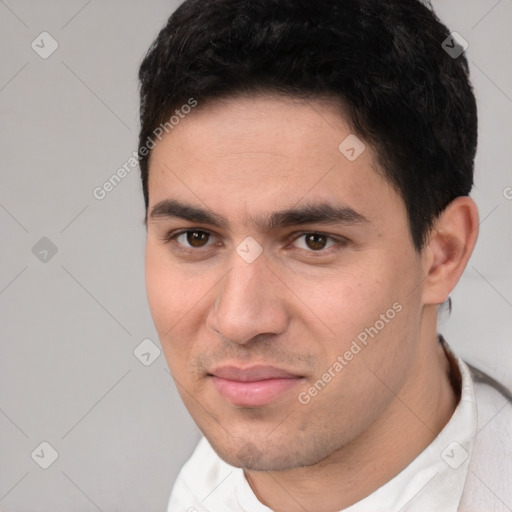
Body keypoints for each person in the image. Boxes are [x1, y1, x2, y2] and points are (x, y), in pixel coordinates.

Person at [137, 0, 512, 510]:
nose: (239, 320)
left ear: (442, 254)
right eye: (196, 238)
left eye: (314, 240)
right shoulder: (196, 492)